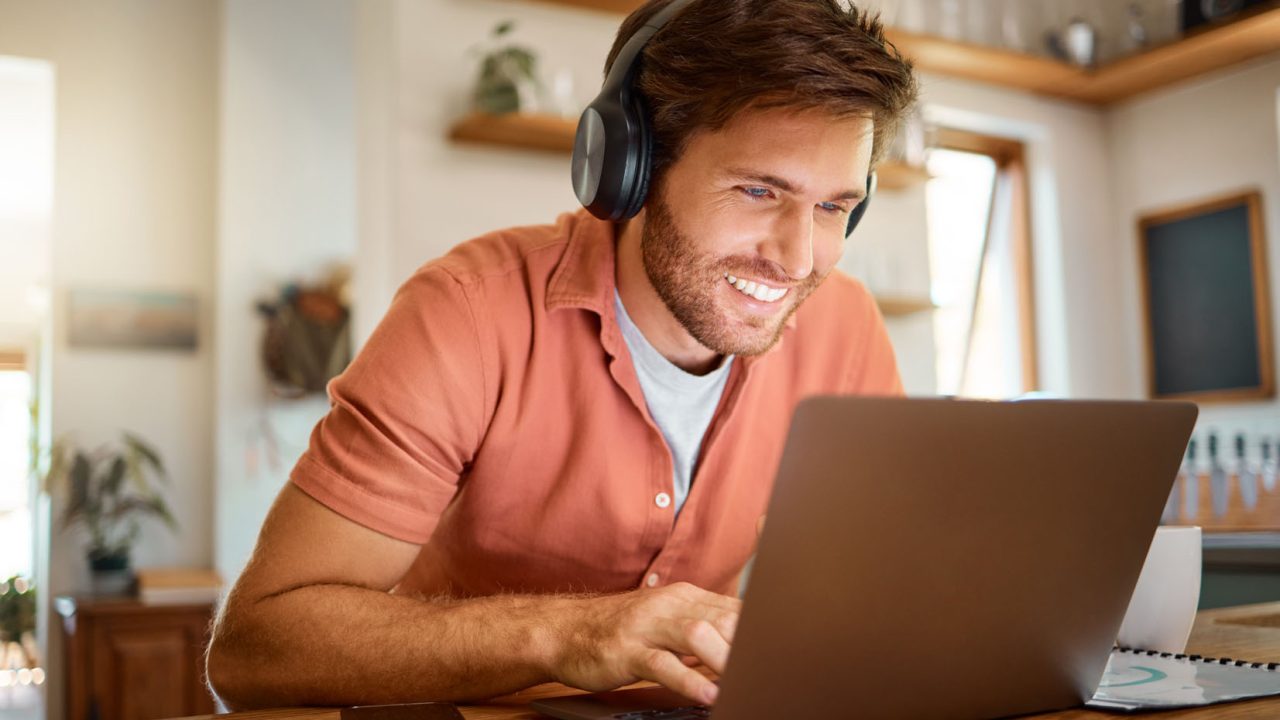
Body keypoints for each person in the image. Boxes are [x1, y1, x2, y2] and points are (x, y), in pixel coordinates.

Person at [206, 0, 917, 709]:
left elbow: (886, 589)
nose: (799, 258)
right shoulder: (467, 314)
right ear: (631, 169)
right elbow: (255, 645)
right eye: (759, 190)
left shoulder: (846, 326)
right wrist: (569, 633)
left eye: (832, 208)